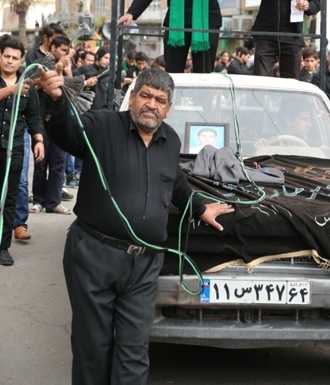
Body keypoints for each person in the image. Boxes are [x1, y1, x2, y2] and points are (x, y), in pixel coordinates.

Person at [36, 64, 234, 384]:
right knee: (92, 347)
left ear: (168, 108)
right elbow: (67, 132)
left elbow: (175, 182)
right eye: (145, 95)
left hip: (144, 264)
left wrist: (200, 209)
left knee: (134, 350)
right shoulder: (102, 125)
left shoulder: (170, 141)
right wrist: (57, 99)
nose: (151, 104)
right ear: (132, 97)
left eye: (160, 100)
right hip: (94, 255)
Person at [0, 36, 44, 266]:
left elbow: (34, 117)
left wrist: (39, 140)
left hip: (14, 148)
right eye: (6, 56)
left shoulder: (27, 85)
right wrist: (11, 90)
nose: (10, 61)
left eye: (15, 58)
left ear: (21, 61)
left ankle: (3, 247)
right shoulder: (16, 87)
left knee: (10, 199)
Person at [30, 35, 73, 215]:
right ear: (53, 48)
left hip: (61, 121)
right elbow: (30, 84)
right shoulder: (40, 64)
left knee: (58, 163)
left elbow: (73, 92)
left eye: (67, 50)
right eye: (62, 50)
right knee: (40, 163)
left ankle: (54, 203)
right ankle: (39, 200)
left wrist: (67, 70)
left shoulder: (67, 65)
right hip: (41, 120)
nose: (65, 53)